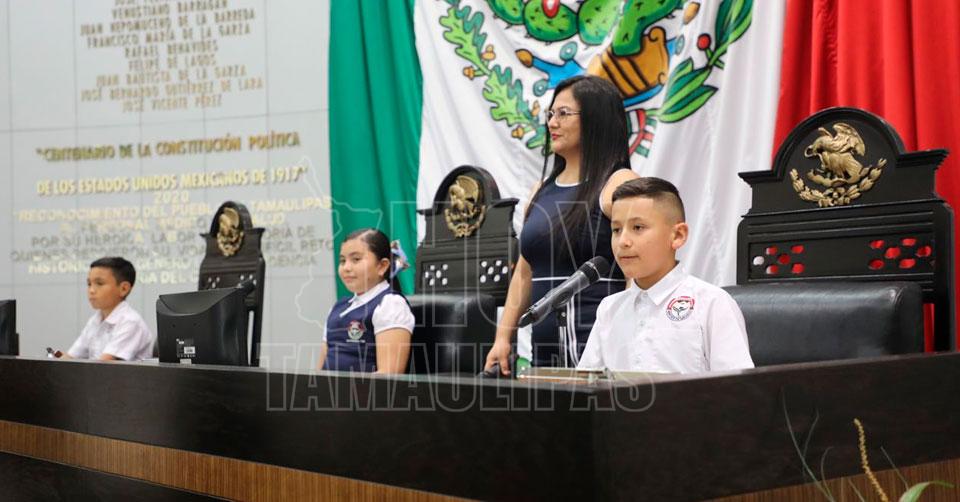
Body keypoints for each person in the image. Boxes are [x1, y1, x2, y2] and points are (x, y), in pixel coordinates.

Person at [485, 75, 638, 374]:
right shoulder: (540, 190)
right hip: (544, 356)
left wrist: (630, 338)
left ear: (596, 119)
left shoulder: (619, 183)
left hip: (601, 352)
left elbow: (636, 269)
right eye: (551, 114)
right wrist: (503, 337)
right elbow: (524, 272)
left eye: (564, 113)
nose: (552, 123)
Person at [577, 177, 754, 374]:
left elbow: (739, 387)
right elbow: (587, 382)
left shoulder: (711, 303)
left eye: (638, 228)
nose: (623, 241)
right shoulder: (609, 309)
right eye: (616, 230)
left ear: (678, 235)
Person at [319, 228, 415, 373]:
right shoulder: (338, 307)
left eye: (356, 259)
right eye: (342, 261)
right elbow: (320, 372)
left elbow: (389, 376)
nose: (346, 268)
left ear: (382, 266)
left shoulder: (390, 304)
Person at [58, 257, 154, 361]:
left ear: (124, 289)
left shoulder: (131, 322)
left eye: (99, 283)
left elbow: (104, 366)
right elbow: (71, 357)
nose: (91, 290)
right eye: (89, 284)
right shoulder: (95, 320)